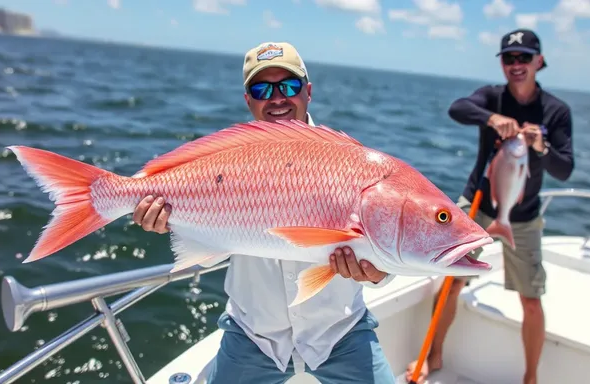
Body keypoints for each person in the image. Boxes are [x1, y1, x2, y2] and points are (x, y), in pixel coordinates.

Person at [132, 41, 397, 383]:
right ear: (248, 100)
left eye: (289, 86)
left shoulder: (348, 160)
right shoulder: (225, 157)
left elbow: (387, 246)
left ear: (308, 91)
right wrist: (172, 222)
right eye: (262, 89)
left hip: (341, 333)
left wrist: (376, 273)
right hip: (253, 336)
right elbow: (208, 257)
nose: (277, 98)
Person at [407, 29, 574, 384]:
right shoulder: (492, 98)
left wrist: (541, 146)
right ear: (502, 64)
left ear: (539, 62)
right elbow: (457, 108)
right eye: (509, 58)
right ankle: (432, 356)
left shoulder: (556, 111)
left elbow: (565, 169)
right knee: (452, 280)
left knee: (531, 298)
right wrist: (491, 119)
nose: (516, 65)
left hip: (523, 215)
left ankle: (531, 377)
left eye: (524, 58)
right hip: (478, 200)